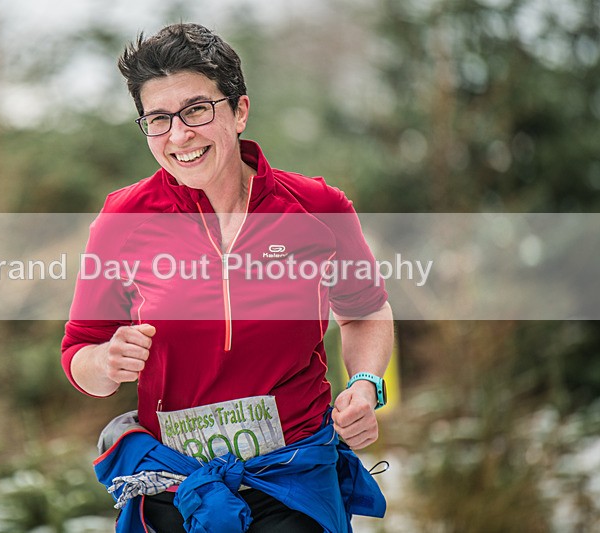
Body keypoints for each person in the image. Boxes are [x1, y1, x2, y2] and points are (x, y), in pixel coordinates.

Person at [61, 22, 394, 532]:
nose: (179, 135)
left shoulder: (318, 208)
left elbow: (365, 310)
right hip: (177, 488)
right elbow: (79, 352)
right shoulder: (122, 219)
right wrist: (106, 361)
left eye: (195, 110)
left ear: (239, 111)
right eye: (158, 119)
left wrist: (366, 383)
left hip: (293, 477)